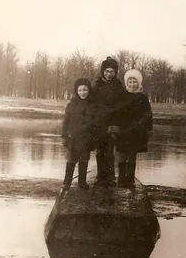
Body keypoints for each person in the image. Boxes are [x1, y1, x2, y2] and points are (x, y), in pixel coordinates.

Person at [91, 56, 126, 186]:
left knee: (110, 151)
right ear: (102, 72)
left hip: (113, 125)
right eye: (106, 71)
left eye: (111, 71)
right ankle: (100, 176)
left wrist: (116, 125)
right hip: (99, 124)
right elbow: (91, 105)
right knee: (100, 151)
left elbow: (122, 108)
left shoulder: (119, 87)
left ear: (115, 72)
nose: (109, 74)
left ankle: (110, 177)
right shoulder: (96, 86)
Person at [116, 69, 153, 188]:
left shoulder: (142, 98)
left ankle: (130, 179)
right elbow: (116, 113)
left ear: (139, 83)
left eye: (134, 81)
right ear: (126, 82)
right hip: (123, 131)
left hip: (137, 132)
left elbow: (148, 115)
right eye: (130, 81)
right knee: (122, 154)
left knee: (132, 155)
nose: (132, 84)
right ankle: (121, 180)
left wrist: (149, 129)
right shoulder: (121, 97)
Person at [61, 78, 97, 191]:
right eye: (80, 90)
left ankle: (82, 182)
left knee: (84, 161)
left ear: (89, 90)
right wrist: (65, 135)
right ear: (76, 91)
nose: (83, 92)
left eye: (85, 90)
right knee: (71, 160)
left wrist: (94, 135)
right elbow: (66, 121)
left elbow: (96, 122)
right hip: (73, 138)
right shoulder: (72, 104)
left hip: (86, 138)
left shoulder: (92, 105)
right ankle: (66, 182)